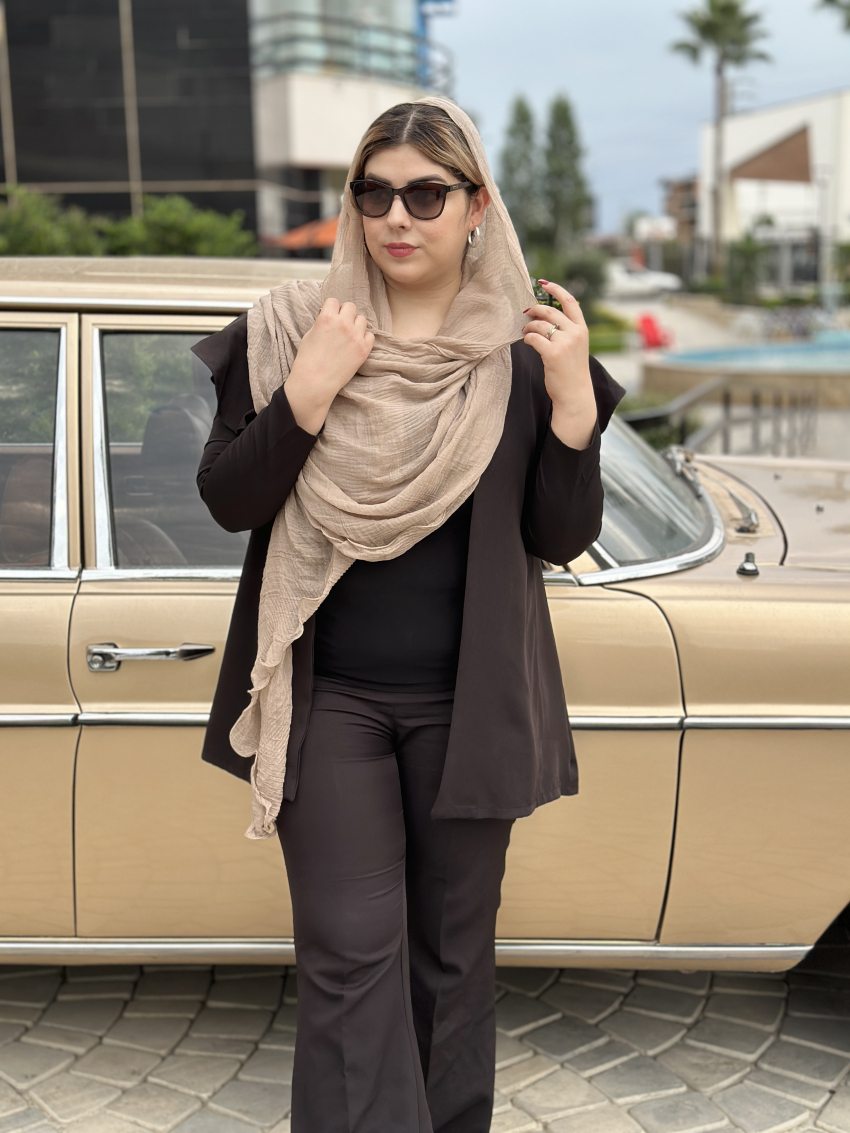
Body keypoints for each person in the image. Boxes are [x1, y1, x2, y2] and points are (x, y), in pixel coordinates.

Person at [194, 96, 624, 1133]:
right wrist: (306, 394)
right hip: (328, 699)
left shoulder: (523, 355)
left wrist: (573, 408)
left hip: (470, 706)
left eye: (427, 194)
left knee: (452, 955)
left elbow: (559, 535)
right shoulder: (292, 332)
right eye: (374, 192)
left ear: (476, 206)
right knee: (349, 953)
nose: (398, 216)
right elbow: (230, 501)